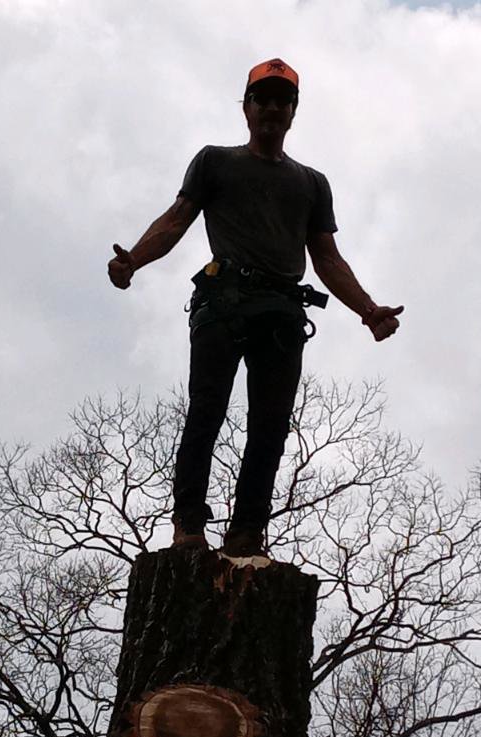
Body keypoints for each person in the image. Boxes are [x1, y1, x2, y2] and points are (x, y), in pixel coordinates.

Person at [108, 58, 403, 557]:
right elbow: (177, 218)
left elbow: (326, 257)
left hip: (281, 313)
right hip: (223, 304)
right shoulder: (215, 162)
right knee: (206, 413)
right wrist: (134, 259)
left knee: (270, 426)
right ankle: (188, 529)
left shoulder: (311, 183)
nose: (271, 108)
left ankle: (247, 533)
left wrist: (368, 310)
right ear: (246, 108)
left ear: (293, 112)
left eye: (281, 101)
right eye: (261, 99)